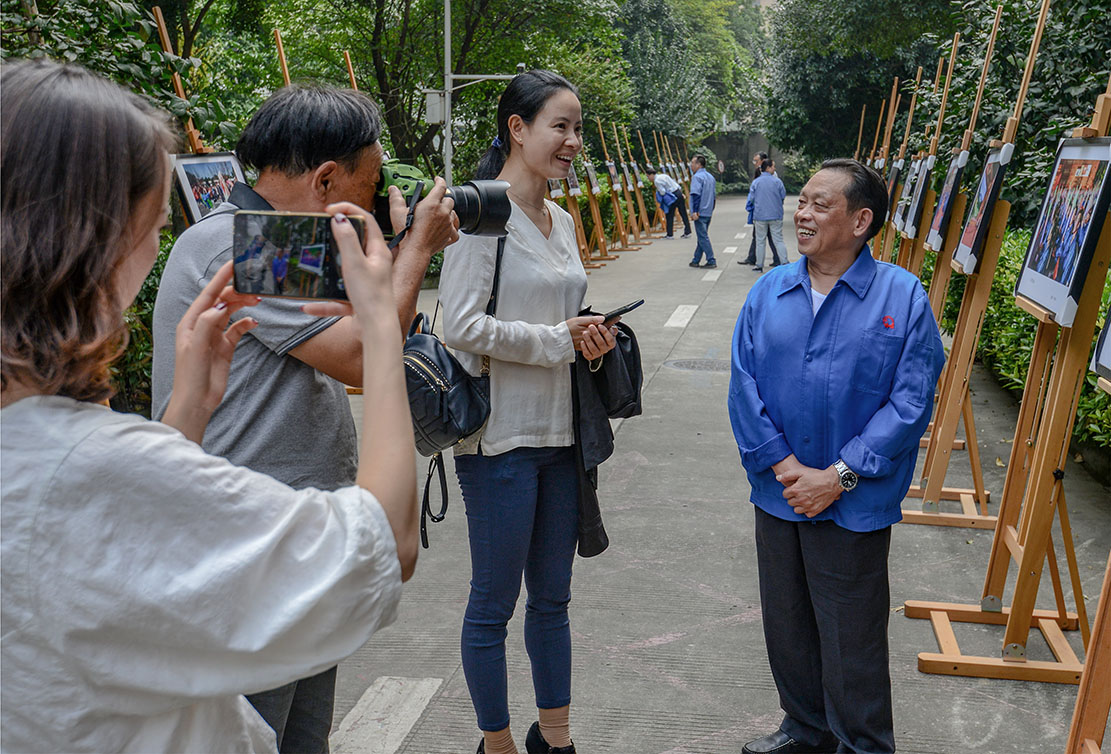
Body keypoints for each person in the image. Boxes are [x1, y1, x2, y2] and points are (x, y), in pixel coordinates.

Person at [2, 59, 419, 753]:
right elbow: (385, 541)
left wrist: (183, 419)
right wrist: (392, 301)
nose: (163, 237)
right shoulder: (241, 243)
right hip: (244, 535)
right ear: (102, 244)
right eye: (152, 224)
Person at [151, 84, 459, 753]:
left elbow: (361, 322)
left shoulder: (278, 241)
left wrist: (398, 245)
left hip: (291, 536)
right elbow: (361, 353)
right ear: (325, 180)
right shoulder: (242, 243)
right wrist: (417, 252)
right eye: (369, 184)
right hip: (252, 548)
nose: (374, 200)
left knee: (298, 737)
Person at [727, 159, 946, 754]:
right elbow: (743, 382)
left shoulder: (901, 294)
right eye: (803, 201)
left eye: (821, 205)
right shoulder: (769, 290)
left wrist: (839, 475)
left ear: (860, 220)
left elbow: (910, 400)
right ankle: (805, 728)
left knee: (852, 640)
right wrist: (784, 467)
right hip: (780, 493)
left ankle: (862, 744)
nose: (802, 213)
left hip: (854, 501)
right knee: (788, 625)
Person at [439, 70, 619, 754]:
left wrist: (592, 341)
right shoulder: (480, 214)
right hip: (499, 441)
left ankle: (558, 739)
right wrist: (555, 342)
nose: (574, 141)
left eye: (578, 128)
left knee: (554, 601)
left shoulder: (563, 219)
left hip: (562, 434)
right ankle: (497, 744)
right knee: (493, 605)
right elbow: (458, 325)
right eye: (561, 126)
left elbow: (563, 318)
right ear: (517, 128)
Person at [747, 158, 788, 272]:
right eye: (773, 166)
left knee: (760, 241)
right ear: (768, 168)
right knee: (778, 239)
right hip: (776, 215)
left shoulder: (756, 182)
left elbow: (751, 199)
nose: (774, 168)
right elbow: (782, 196)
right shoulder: (777, 182)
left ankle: (759, 265)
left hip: (760, 216)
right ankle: (784, 262)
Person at [742, 152, 779, 266]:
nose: (754, 163)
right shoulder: (761, 172)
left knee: (768, 237)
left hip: (765, 212)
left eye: (756, 160)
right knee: (759, 236)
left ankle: (776, 260)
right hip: (764, 211)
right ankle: (752, 257)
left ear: (763, 161)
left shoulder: (771, 175)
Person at [688, 154, 717, 269]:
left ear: (699, 164)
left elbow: (696, 195)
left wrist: (695, 211)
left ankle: (711, 259)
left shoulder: (697, 177)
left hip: (700, 212)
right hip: (708, 211)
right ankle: (696, 259)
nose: (691, 165)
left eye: (693, 163)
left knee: (703, 236)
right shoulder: (710, 177)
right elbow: (714, 196)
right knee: (702, 236)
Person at [646, 165, 691, 239]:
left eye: (648, 176)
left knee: (669, 215)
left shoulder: (656, 181)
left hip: (671, 196)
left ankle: (670, 234)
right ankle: (688, 232)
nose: (648, 178)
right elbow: (674, 183)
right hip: (678, 192)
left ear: (652, 174)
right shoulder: (663, 175)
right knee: (683, 213)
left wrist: (659, 194)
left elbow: (662, 192)